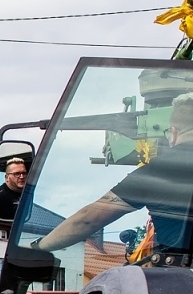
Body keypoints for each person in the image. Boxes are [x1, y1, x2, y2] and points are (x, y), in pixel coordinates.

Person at [38, 94, 193, 253]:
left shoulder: (155, 172)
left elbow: (87, 220)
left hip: (180, 270)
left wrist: (38, 247)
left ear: (173, 133)